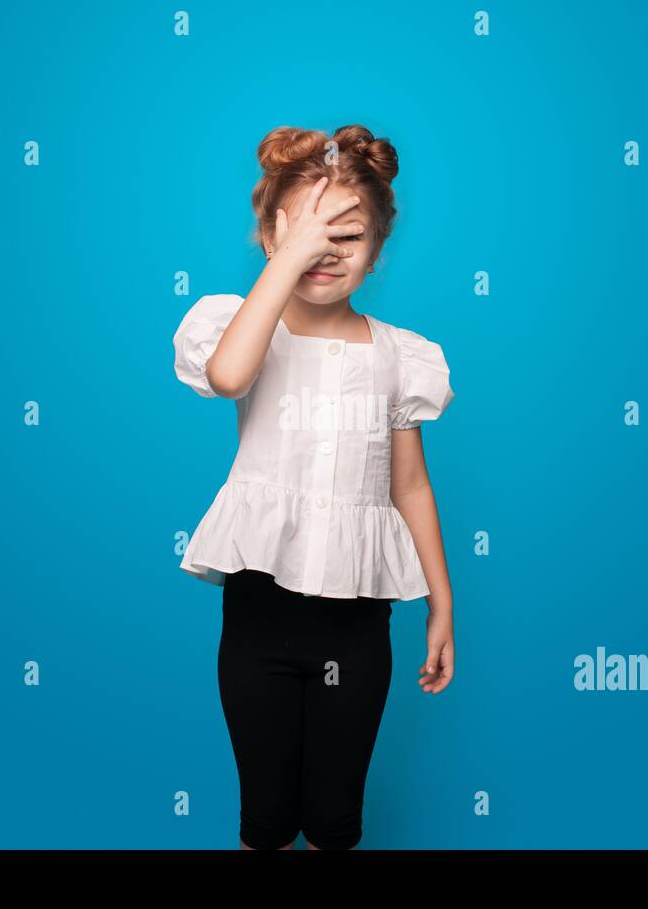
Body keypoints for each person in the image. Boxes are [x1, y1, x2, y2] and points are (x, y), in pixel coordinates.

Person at [172, 124, 456, 850]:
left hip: (357, 625)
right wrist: (288, 256)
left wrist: (442, 603)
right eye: (303, 231)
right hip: (260, 615)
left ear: (377, 252)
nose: (325, 251)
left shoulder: (402, 356)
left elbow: (412, 485)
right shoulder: (236, 330)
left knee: (334, 821)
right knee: (265, 822)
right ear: (269, 236)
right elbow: (229, 376)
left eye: (347, 235)